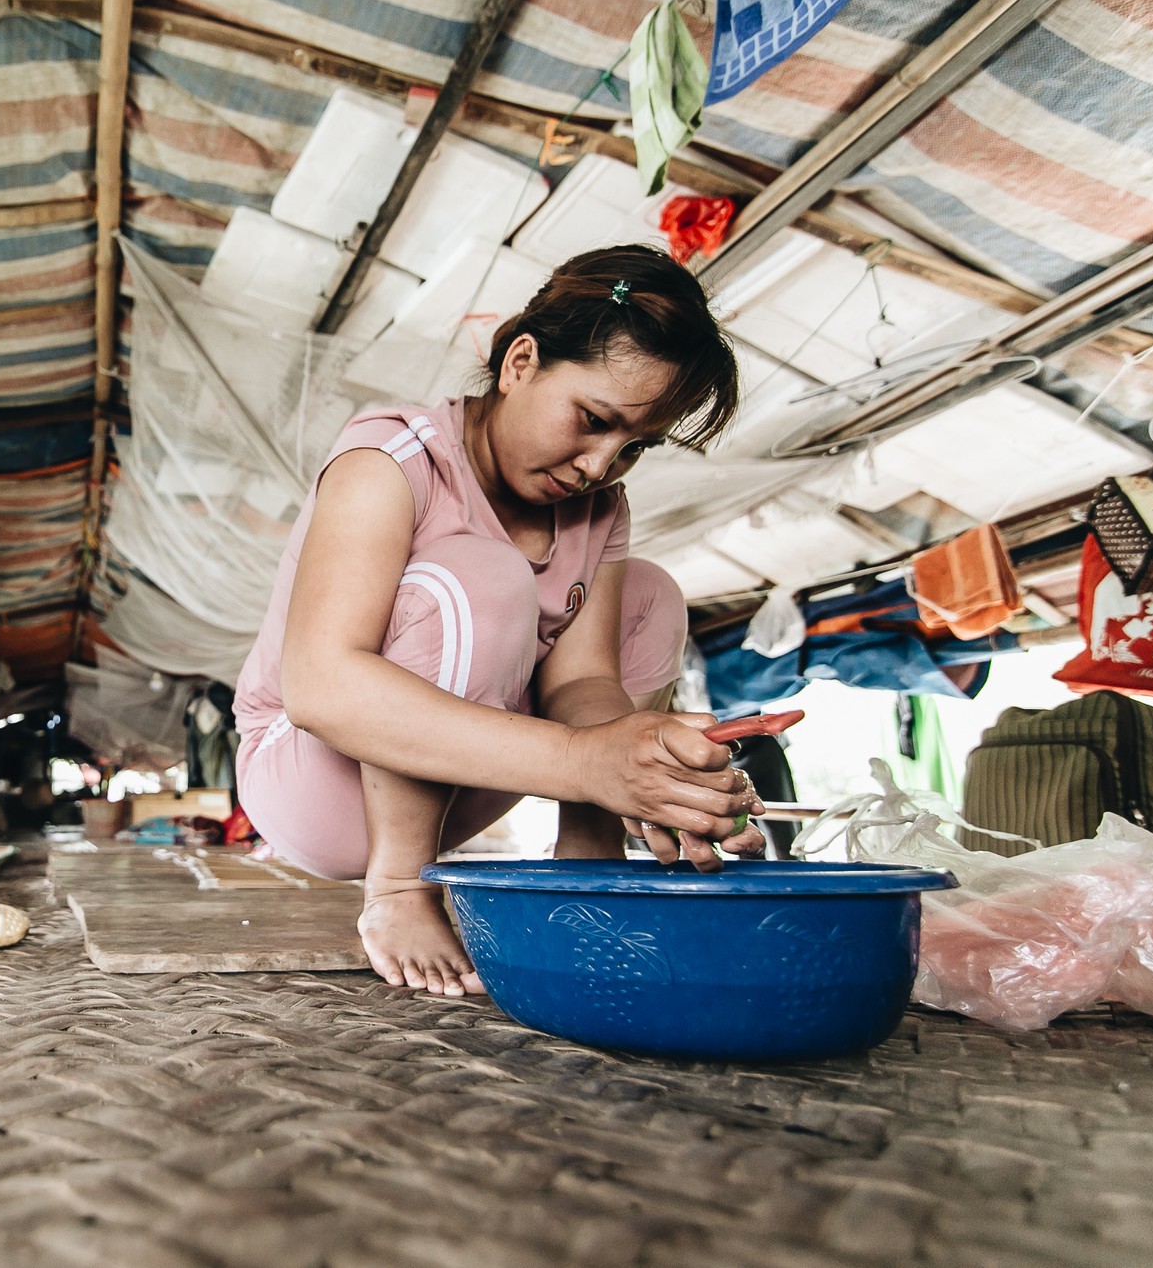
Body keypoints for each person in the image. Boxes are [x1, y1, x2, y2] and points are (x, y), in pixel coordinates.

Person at [232, 244, 765, 998]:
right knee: (483, 574)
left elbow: (583, 682)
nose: (598, 465)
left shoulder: (600, 508)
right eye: (593, 419)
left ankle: (591, 867)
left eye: (634, 447)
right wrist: (587, 762)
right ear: (520, 363)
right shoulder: (391, 460)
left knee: (651, 595)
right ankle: (397, 891)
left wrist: (652, 765)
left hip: (456, 781)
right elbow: (320, 688)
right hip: (313, 775)